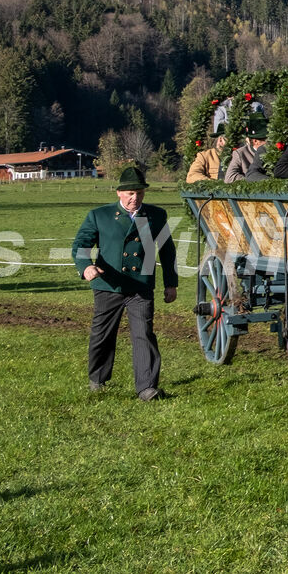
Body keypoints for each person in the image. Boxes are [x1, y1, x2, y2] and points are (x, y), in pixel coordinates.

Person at [72, 164, 177, 400]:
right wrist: (86, 267)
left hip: (141, 285)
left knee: (144, 334)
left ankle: (147, 387)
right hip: (108, 284)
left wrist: (171, 283)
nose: (135, 198)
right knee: (103, 334)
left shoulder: (155, 215)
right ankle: (97, 379)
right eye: (130, 193)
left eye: (139, 192)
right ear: (119, 193)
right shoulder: (100, 216)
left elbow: (167, 250)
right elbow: (81, 245)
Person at [224, 116, 270, 183]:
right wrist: (253, 179)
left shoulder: (273, 151)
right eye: (266, 140)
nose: (270, 143)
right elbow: (229, 177)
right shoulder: (241, 153)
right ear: (255, 141)